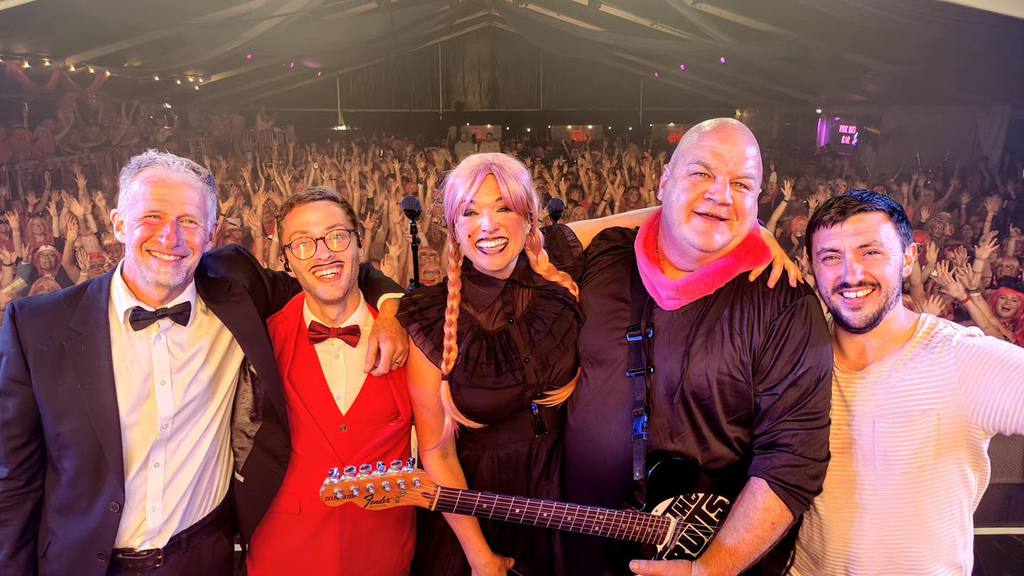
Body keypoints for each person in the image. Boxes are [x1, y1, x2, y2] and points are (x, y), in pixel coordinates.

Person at [0, 150, 406, 576]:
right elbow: (13, 486)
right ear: (119, 223)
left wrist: (392, 307)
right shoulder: (37, 327)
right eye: (152, 216)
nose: (170, 237)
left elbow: (332, 271)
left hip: (205, 558)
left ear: (211, 234)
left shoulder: (236, 289)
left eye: (189, 221)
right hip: (82, 564)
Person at [563, 118, 833, 576]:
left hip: (699, 560)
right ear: (663, 181)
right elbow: (524, 247)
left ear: (758, 201)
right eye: (701, 173)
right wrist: (395, 307)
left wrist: (711, 568)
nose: (721, 194)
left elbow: (792, 461)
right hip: (584, 548)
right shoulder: (607, 255)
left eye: (741, 185)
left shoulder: (785, 304)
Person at [398, 153, 671, 575]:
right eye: (469, 212)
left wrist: (748, 231)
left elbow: (660, 214)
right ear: (453, 227)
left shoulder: (558, 260)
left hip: (571, 498)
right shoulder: (428, 317)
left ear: (529, 218)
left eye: (504, 207)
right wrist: (479, 555)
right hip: (481, 513)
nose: (487, 225)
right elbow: (437, 453)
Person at [791, 190, 1024, 575]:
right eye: (831, 257)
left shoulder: (961, 357)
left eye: (871, 252)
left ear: (908, 259)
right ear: (811, 267)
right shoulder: (794, 359)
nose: (851, 274)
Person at [247, 187, 415, 575]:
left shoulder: (411, 334)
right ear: (287, 262)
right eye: (303, 243)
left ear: (359, 244)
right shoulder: (261, 340)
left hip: (384, 553)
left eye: (337, 236)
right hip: (282, 556)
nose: (323, 253)